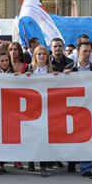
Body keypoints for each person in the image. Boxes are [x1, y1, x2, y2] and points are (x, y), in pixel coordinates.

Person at [64, 41, 92, 178]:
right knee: (73, 136)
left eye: (89, 51)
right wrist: (63, 76)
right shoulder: (69, 68)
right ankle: (72, 162)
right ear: (78, 52)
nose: (87, 54)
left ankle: (86, 167)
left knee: (87, 137)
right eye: (84, 51)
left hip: (90, 108)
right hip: (73, 108)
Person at [26, 45, 55, 177]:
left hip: (47, 108)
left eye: (44, 54)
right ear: (35, 56)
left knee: (44, 136)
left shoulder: (52, 70)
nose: (41, 56)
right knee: (32, 135)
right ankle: (31, 161)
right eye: (39, 54)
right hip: (32, 107)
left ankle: (43, 165)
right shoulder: (29, 69)